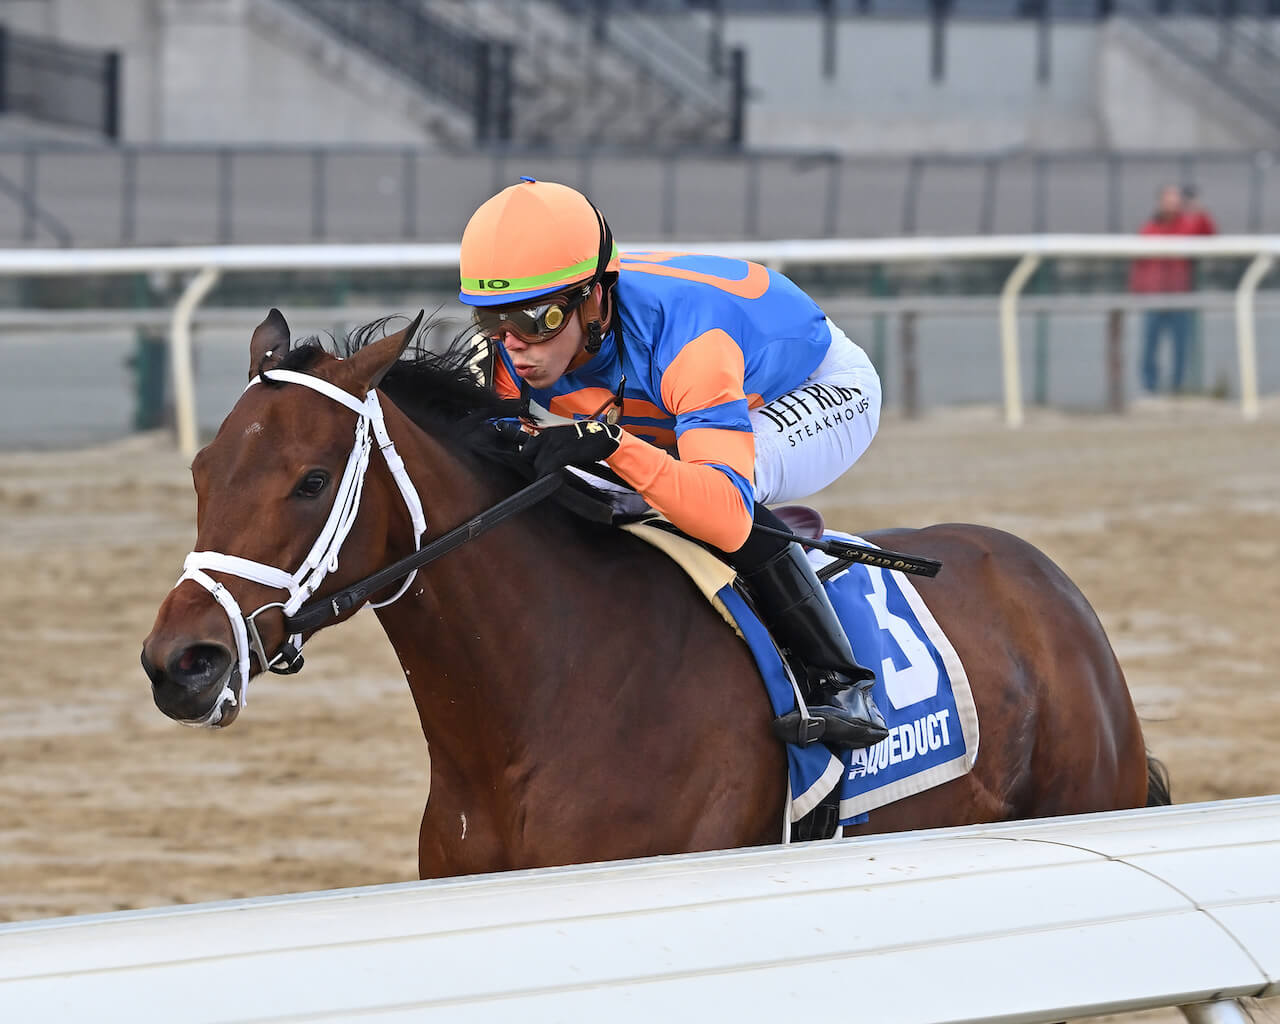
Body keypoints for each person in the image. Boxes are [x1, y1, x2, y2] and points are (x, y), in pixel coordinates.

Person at [457, 177, 887, 750]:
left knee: (718, 494)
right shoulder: (509, 348)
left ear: (593, 297)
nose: (514, 345)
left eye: (537, 319)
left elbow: (726, 513)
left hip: (803, 387)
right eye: (492, 319)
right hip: (660, 399)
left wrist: (614, 445)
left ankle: (839, 682)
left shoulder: (693, 346)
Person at [1129, 183, 1217, 395]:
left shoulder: (1187, 225)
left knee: (1181, 348)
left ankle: (1177, 388)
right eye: (1169, 199)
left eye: (1176, 200)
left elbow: (1209, 234)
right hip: (1155, 298)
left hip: (1179, 297)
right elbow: (1139, 263)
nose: (1173, 204)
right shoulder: (1150, 229)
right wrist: (1139, 291)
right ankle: (1150, 388)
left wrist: (1198, 210)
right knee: (1149, 347)